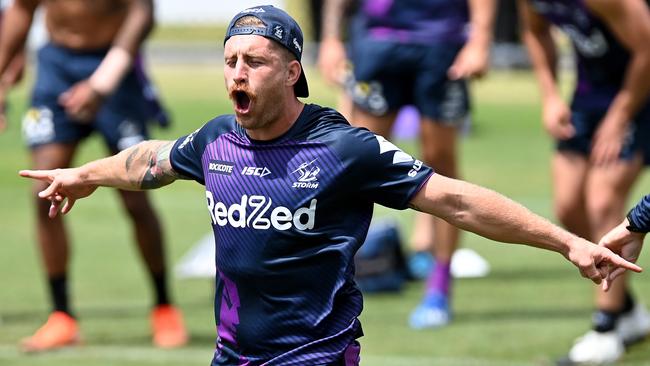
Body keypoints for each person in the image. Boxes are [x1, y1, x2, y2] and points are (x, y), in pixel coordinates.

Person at [19, 5, 642, 365]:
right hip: (233, 357)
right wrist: (84, 175)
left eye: (255, 62)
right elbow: (152, 160)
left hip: (315, 358)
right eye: (231, 61)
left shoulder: (345, 147)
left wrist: (568, 243)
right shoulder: (217, 140)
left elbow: (454, 198)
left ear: (293, 72)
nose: (238, 73)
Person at [0, 0, 186, 352]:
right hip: (56, 66)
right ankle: (61, 316)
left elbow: (142, 14)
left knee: (135, 196)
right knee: (44, 191)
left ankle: (164, 306)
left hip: (114, 69)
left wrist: (102, 83)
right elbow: (22, 10)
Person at [318, 0, 497, 329]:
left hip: (441, 43)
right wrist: (330, 38)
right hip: (378, 42)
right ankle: (328, 280)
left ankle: (439, 288)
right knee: (354, 163)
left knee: (440, 162)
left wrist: (481, 38)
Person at [518, 0, 650, 363]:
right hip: (588, 96)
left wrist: (620, 116)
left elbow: (648, 49)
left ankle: (606, 328)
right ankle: (629, 312)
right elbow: (534, 30)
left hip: (639, 96)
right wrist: (549, 95)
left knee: (602, 203)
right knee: (568, 206)